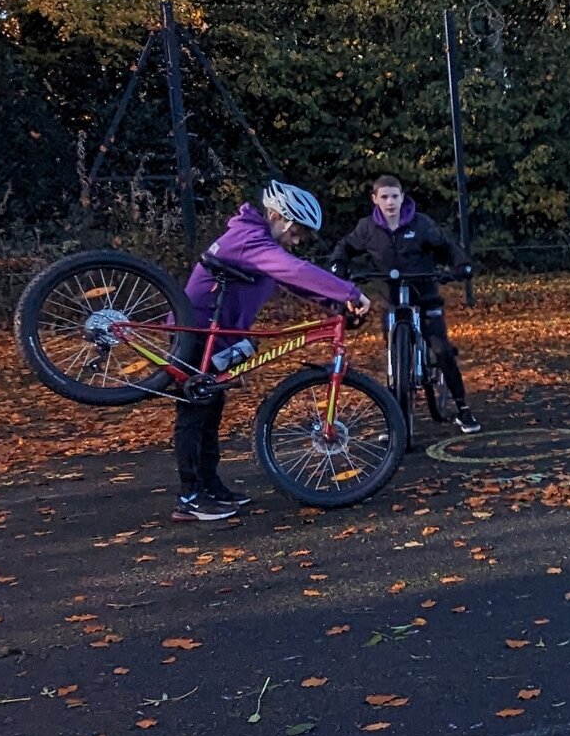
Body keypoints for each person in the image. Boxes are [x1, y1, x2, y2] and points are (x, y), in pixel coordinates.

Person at [175, 181, 368, 521]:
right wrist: (348, 291)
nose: (298, 240)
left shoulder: (257, 242)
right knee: (194, 414)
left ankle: (209, 484)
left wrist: (334, 301)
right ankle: (190, 497)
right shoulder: (250, 239)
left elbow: (291, 279)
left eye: (304, 236)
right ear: (277, 216)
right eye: (297, 231)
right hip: (195, 334)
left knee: (210, 411)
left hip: (215, 337)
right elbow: (294, 269)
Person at [329, 173, 481, 433]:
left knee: (442, 350)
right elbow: (345, 247)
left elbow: (445, 246)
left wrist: (460, 264)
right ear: (375, 199)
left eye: (395, 196)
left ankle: (462, 408)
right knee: (392, 352)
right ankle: (396, 418)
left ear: (402, 197)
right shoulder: (367, 228)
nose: (390, 202)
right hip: (391, 298)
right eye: (384, 197)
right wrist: (338, 266)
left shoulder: (421, 224)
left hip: (425, 295)